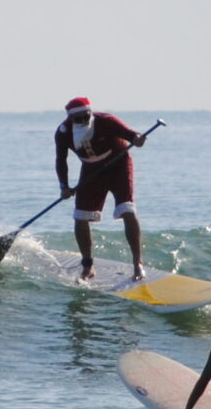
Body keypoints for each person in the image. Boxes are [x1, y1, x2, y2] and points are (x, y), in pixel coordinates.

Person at [55, 97, 151, 281]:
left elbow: (132, 136)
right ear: (70, 119)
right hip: (92, 170)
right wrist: (64, 186)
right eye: (78, 119)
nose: (83, 121)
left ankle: (138, 264)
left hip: (119, 165)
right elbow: (61, 161)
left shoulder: (106, 121)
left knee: (127, 210)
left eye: (86, 116)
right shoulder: (63, 132)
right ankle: (88, 266)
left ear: (90, 113)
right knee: (80, 217)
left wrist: (137, 139)